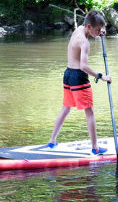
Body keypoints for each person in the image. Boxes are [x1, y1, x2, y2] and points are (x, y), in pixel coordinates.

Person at [47, 10, 112, 154]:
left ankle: (51, 141)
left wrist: (98, 33)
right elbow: (83, 66)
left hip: (68, 74)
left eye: (101, 30)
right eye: (98, 29)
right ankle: (95, 148)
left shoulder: (78, 30)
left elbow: (85, 38)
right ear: (89, 26)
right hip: (78, 77)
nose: (99, 32)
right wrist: (101, 76)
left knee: (65, 109)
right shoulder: (85, 43)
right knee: (90, 112)